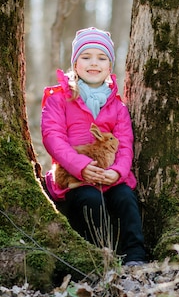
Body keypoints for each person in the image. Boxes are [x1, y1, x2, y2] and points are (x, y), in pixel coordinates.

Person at [41, 27, 146, 266]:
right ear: (75, 64)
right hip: (74, 177)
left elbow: (125, 144)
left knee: (126, 199)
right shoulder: (60, 98)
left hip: (110, 177)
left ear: (109, 67)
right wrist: (81, 166)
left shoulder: (117, 107)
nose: (93, 63)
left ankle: (135, 256)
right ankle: (97, 257)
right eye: (86, 57)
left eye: (101, 58)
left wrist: (117, 172)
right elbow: (52, 136)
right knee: (90, 200)